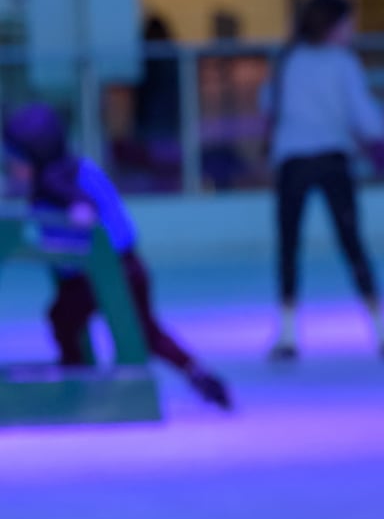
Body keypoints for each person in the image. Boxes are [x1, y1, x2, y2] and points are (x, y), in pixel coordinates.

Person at [2, 103, 230, 408]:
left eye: (17, 159)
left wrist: (77, 211)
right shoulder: (78, 167)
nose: (12, 167)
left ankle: (76, 379)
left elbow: (78, 206)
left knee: (61, 317)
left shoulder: (53, 180)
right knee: (145, 331)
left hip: (99, 274)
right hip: (128, 266)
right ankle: (197, 372)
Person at [261, 0, 384, 361]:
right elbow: (359, 108)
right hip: (331, 159)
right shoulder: (342, 63)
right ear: (333, 25)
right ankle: (382, 330)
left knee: (289, 246)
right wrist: (378, 141)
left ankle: (287, 334)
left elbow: (269, 104)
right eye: (348, 22)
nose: (352, 29)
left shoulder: (288, 60)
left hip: (292, 160)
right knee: (351, 242)